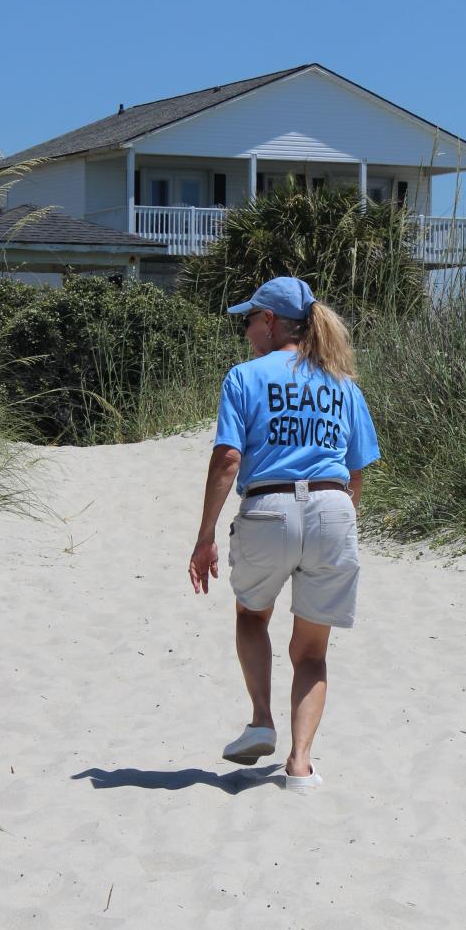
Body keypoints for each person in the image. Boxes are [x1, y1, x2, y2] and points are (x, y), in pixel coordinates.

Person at [188, 276, 380, 793]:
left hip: (268, 506)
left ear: (270, 322)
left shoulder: (245, 376)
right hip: (333, 508)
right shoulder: (344, 383)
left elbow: (228, 458)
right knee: (313, 651)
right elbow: (357, 470)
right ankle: (299, 765)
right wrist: (340, 525)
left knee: (252, 614)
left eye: (248, 319)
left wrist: (205, 535)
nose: (246, 330)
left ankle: (260, 719)